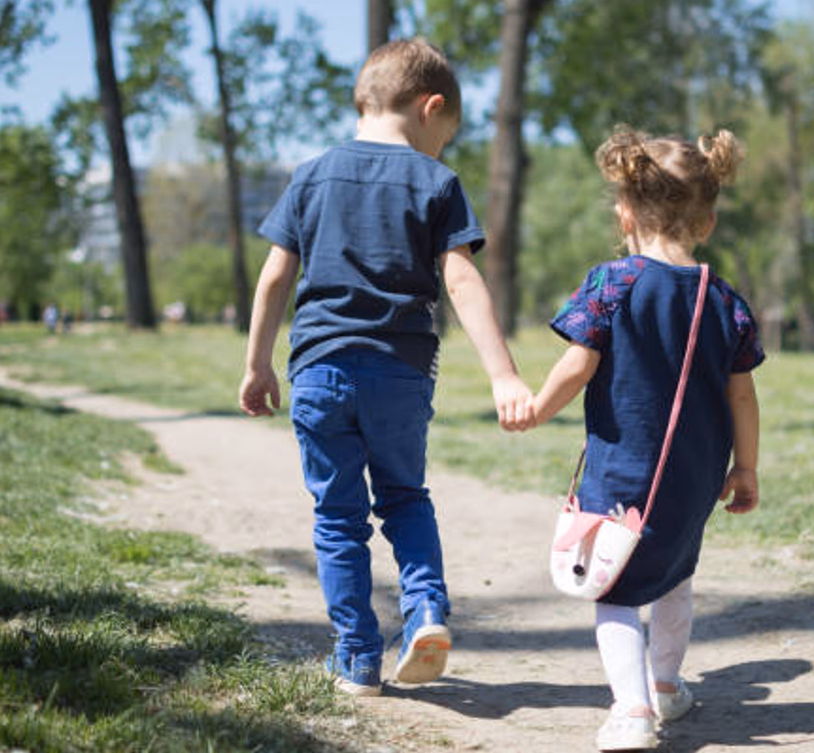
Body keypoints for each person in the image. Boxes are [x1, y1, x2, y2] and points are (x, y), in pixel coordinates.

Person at [239, 38, 534, 698]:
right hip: (400, 374)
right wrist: (503, 374)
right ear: (432, 108)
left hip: (318, 372)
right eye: (446, 135)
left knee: (337, 516)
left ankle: (357, 658)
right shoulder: (436, 182)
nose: (443, 150)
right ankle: (426, 611)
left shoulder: (311, 174)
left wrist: (258, 365)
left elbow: (273, 279)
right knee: (404, 497)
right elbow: (461, 282)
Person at [532, 125, 764, 750]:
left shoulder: (613, 285)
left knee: (615, 589)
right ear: (708, 222)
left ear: (626, 214)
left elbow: (578, 366)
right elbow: (742, 393)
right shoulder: (725, 300)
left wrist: (536, 407)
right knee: (674, 576)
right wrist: (746, 469)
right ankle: (664, 685)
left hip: (623, 471)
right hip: (694, 477)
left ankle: (632, 710)